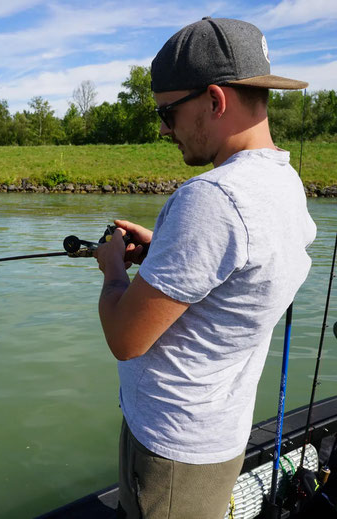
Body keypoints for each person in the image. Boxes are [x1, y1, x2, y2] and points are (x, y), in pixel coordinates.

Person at [94, 17, 317, 519]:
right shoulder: (285, 182)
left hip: (171, 448)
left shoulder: (211, 199)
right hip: (220, 433)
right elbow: (241, 274)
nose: (163, 129)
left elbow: (125, 340)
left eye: (168, 113)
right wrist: (168, 251)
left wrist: (113, 271)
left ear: (215, 101)